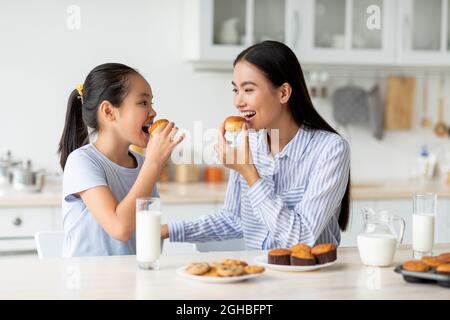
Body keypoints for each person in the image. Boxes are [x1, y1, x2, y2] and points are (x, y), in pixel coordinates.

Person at [162, 41, 350, 249]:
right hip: (260, 273)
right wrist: (167, 230)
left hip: (310, 276)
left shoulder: (331, 149)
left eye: (248, 89)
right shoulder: (248, 143)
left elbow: (301, 239)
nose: (238, 102)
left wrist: (249, 173)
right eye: (236, 90)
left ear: (283, 93)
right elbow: (234, 219)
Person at [58, 63, 183, 256]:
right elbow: (120, 228)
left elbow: (148, 237)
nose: (153, 112)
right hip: (90, 283)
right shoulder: (82, 162)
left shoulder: (142, 164)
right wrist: (154, 163)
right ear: (108, 111)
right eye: (143, 103)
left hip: (132, 280)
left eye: (151, 103)